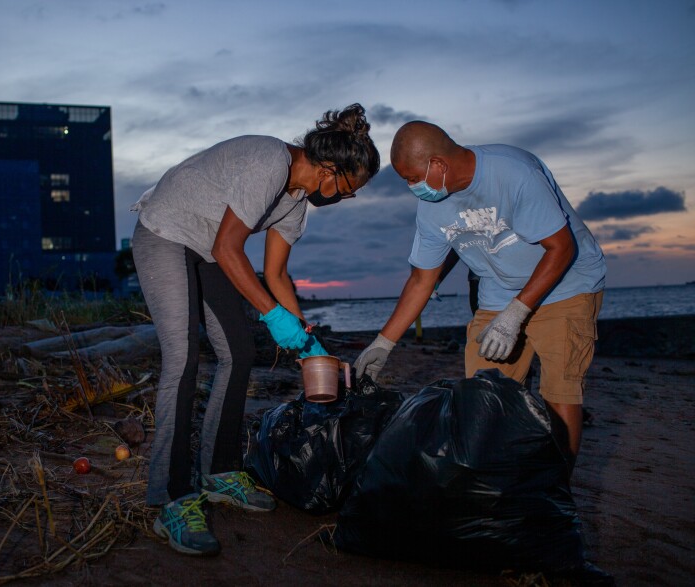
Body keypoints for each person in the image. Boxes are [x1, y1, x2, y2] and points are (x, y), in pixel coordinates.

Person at [131, 104, 380, 555]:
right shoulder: (269, 162)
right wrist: (273, 316)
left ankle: (220, 473)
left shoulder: (297, 203)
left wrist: (308, 342)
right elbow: (230, 248)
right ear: (330, 170)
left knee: (240, 352)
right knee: (183, 356)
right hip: (165, 232)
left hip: (206, 250)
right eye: (350, 188)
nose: (348, 198)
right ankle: (170, 497)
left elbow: (277, 276)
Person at [354, 120, 605, 472]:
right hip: (497, 290)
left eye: (412, 178)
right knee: (483, 395)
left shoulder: (515, 173)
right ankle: (496, 478)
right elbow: (421, 281)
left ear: (438, 164)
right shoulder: (432, 208)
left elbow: (561, 248)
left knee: (559, 392)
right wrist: (382, 344)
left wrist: (517, 313)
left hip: (566, 285)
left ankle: (557, 489)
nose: (411, 188)